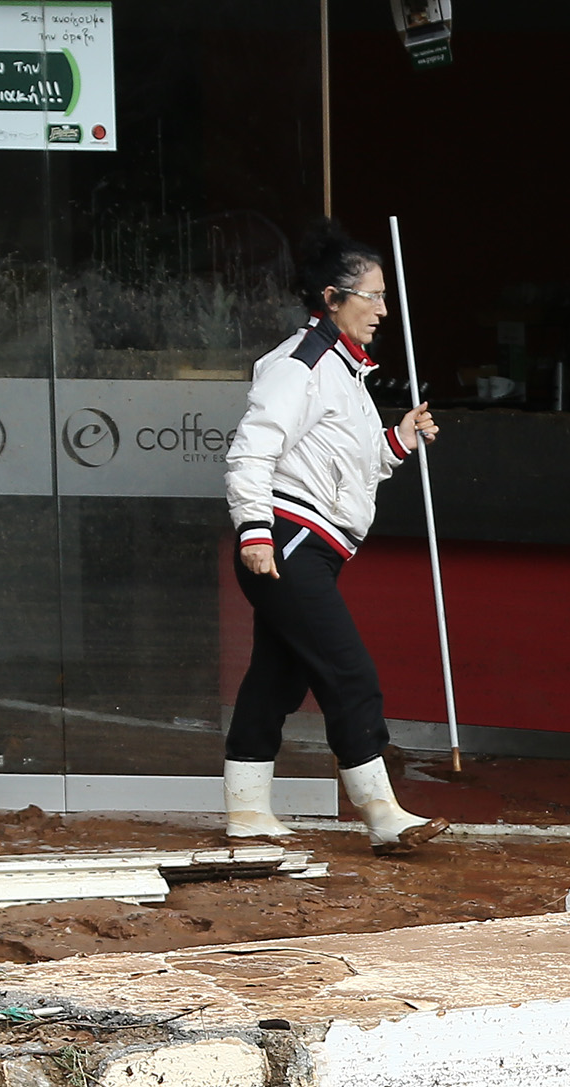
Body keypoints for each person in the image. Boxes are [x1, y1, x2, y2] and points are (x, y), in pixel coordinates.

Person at [219, 237, 445, 855]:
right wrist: (254, 531)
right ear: (331, 298)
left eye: (383, 297)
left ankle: (246, 812)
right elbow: (252, 449)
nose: (381, 310)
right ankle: (381, 814)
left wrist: (397, 437)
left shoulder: (344, 369)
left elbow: (350, 465)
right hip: (289, 541)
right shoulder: (304, 364)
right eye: (371, 297)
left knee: (275, 679)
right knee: (349, 673)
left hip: (308, 544)